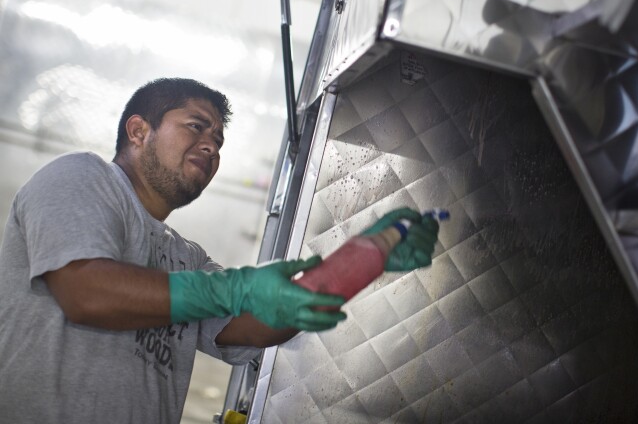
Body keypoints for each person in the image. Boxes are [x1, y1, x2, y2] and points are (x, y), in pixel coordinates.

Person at [0, 78, 439, 423]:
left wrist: (365, 258)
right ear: (139, 130)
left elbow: (257, 327)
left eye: (219, 141)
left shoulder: (186, 258)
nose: (211, 146)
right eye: (196, 126)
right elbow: (87, 293)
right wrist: (233, 289)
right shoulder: (81, 177)